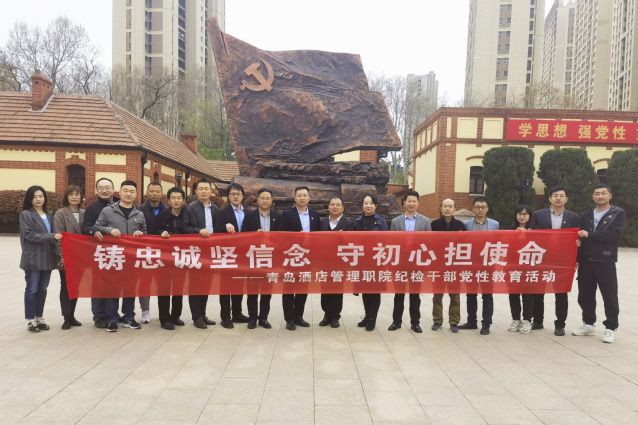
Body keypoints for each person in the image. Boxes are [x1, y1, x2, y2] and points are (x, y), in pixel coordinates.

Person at [573, 184, 626, 344]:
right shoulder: (587, 214)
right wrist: (577, 258)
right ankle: (588, 324)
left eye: (603, 193)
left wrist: (590, 235)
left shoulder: (617, 213)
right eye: (597, 194)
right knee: (585, 295)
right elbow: (580, 238)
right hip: (586, 261)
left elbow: (614, 234)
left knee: (609, 296)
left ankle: (610, 328)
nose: (600, 196)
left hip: (605, 261)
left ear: (610, 196)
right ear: (593, 196)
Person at [94, 180, 146, 332]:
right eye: (126, 191)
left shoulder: (139, 214)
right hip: (113, 256)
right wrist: (108, 230)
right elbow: (96, 227)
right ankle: (112, 319)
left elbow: (146, 233)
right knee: (112, 289)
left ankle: (129, 317)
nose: (128, 194)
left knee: (130, 289)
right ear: (120, 192)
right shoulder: (108, 211)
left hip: (131, 258)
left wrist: (141, 234)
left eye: (132, 191)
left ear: (136, 194)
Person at [531, 186, 580, 336]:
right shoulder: (538, 215)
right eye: (555, 195)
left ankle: (560, 324)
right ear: (550, 198)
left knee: (561, 293)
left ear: (566, 199)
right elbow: (532, 235)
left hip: (563, 261)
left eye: (561, 196)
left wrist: (576, 259)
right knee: (538, 291)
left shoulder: (573, 217)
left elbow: (578, 239)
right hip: (542, 258)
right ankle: (537, 320)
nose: (558, 198)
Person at [19, 185, 63, 332]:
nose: (38, 199)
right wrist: (52, 236)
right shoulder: (26, 215)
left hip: (47, 258)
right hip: (33, 258)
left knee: (42, 289)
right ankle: (30, 320)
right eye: (34, 197)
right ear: (29, 199)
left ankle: (39, 317)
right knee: (32, 289)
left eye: (41, 196)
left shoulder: (50, 214)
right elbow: (29, 235)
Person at [279, 186, 321, 331]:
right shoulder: (287, 214)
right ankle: (289, 318)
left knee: (303, 288)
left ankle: (298, 316)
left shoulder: (315, 214)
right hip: (292, 256)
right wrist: (296, 236)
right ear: (295, 198)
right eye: (299, 195)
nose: (302, 198)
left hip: (307, 258)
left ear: (309, 197)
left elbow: (319, 236)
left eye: (305, 195)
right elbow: (281, 235)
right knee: (289, 288)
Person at [388, 191, 431, 333]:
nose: (411, 204)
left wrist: (425, 263)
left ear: (418, 203)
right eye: (409, 201)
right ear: (404, 203)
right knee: (398, 294)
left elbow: (428, 243)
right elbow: (392, 243)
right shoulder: (396, 221)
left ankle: (415, 323)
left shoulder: (425, 221)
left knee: (415, 295)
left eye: (414, 201)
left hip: (417, 263)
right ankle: (396, 322)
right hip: (400, 262)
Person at [180, 178, 219, 329]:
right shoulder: (190, 208)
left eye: (206, 189)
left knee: (206, 284)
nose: (204, 191)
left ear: (211, 191)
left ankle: (203, 314)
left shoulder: (215, 209)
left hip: (210, 252)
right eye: (200, 189)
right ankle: (196, 317)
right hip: (196, 252)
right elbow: (184, 227)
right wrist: (198, 231)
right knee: (195, 285)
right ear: (196, 192)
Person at [82, 177, 119, 328]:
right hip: (100, 252)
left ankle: (112, 313)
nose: (104, 190)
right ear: (96, 190)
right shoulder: (92, 209)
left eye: (107, 187)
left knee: (115, 285)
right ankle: (99, 316)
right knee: (99, 284)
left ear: (113, 189)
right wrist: (94, 230)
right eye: (101, 188)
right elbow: (85, 228)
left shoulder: (121, 204)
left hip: (118, 252)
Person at [460, 196, 500, 335]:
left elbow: (498, 243)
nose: (480, 210)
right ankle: (471, 321)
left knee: (487, 295)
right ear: (473, 209)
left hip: (488, 264)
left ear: (487, 209)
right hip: (471, 264)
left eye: (483, 207)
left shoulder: (495, 224)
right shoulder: (466, 225)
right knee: (471, 294)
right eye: (477, 207)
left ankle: (486, 323)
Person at [242, 188, 280, 329]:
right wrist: (254, 234)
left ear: (272, 201)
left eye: (267, 198)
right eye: (262, 198)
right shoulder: (249, 216)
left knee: (266, 291)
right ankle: (252, 318)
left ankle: (263, 318)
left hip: (270, 259)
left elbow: (282, 237)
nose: (265, 201)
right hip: (254, 258)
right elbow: (243, 236)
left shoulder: (277, 217)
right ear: (257, 200)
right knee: (252, 290)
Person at [214, 183, 250, 328]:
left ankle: (237, 313)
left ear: (243, 196)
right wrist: (225, 227)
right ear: (228, 196)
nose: (236, 196)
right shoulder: (222, 212)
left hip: (243, 255)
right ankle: (225, 317)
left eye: (238, 194)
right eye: (233, 194)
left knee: (238, 285)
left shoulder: (248, 213)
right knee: (225, 287)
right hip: (227, 255)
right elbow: (216, 231)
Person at [353, 194, 388, 331]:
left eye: (371, 203)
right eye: (366, 203)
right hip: (361, 261)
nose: (368, 206)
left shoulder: (381, 221)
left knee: (374, 291)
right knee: (365, 291)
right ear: (362, 205)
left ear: (376, 206)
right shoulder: (357, 221)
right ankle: (367, 316)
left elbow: (385, 241)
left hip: (376, 262)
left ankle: (372, 319)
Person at [430, 198, 465, 332]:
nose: (447, 209)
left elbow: (466, 245)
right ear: (441, 208)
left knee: (455, 296)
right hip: (438, 266)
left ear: (455, 209)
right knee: (437, 296)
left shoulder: (460, 226)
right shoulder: (434, 225)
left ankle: (454, 322)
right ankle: (437, 321)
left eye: (450, 206)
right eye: (445, 206)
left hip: (455, 266)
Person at [319, 196, 354, 328]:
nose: (335, 207)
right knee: (324, 289)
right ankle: (326, 315)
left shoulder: (349, 224)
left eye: (338, 205)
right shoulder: (322, 222)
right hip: (324, 263)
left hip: (340, 263)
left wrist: (344, 238)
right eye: (332, 204)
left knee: (337, 290)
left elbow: (352, 244)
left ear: (342, 208)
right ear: (328, 207)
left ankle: (335, 316)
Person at [155, 187, 187, 330]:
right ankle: (164, 318)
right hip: (165, 259)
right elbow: (152, 232)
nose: (176, 201)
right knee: (164, 289)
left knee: (178, 288)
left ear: (183, 200)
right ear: (168, 200)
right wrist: (161, 233)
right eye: (173, 198)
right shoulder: (161, 216)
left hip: (182, 257)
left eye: (179, 198)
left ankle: (175, 316)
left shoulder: (187, 215)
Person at [53, 185, 84, 330]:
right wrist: (62, 255)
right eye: (71, 194)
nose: (74, 197)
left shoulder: (84, 213)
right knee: (66, 286)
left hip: (81, 257)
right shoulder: (60, 213)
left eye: (77, 194)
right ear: (66, 197)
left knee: (76, 286)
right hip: (66, 256)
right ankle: (66, 317)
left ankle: (72, 315)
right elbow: (58, 236)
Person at [137, 182, 168, 324]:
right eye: (152, 191)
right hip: (145, 251)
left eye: (157, 191)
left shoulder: (168, 210)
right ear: (147, 193)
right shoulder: (139, 210)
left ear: (162, 193)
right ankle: (145, 310)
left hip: (164, 252)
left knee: (163, 283)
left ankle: (164, 313)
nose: (154, 194)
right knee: (145, 282)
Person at [508, 205, 535, 334]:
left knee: (528, 295)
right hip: (513, 267)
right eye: (519, 214)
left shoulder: (536, 230)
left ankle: (527, 320)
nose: (522, 216)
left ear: (530, 216)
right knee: (513, 294)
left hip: (529, 267)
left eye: (525, 214)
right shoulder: (510, 229)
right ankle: (516, 319)